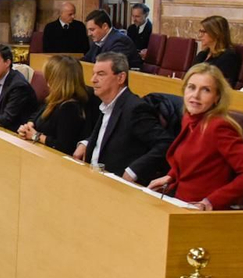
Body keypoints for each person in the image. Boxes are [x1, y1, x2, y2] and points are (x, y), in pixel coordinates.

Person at [146, 64, 243, 210]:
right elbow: (192, 160)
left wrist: (210, 202)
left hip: (200, 213)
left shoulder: (218, 127)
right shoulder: (190, 118)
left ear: (217, 97)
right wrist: (171, 176)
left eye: (206, 90)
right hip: (179, 203)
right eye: (191, 87)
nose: (195, 95)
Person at [73, 53, 171, 184]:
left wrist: (134, 171)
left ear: (120, 78)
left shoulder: (135, 108)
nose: (93, 80)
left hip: (116, 185)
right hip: (94, 178)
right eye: (93, 74)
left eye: (101, 74)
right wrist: (86, 142)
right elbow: (109, 133)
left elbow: (166, 144)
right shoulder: (107, 103)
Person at [18, 55, 92, 154]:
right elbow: (36, 115)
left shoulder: (69, 108)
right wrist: (29, 125)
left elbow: (63, 146)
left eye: (49, 78)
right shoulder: (54, 99)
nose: (47, 83)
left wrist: (36, 136)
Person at [197, 15, 241, 86]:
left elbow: (221, 85)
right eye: (200, 31)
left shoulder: (229, 57)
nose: (200, 36)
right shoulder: (202, 54)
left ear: (216, 33)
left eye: (204, 32)